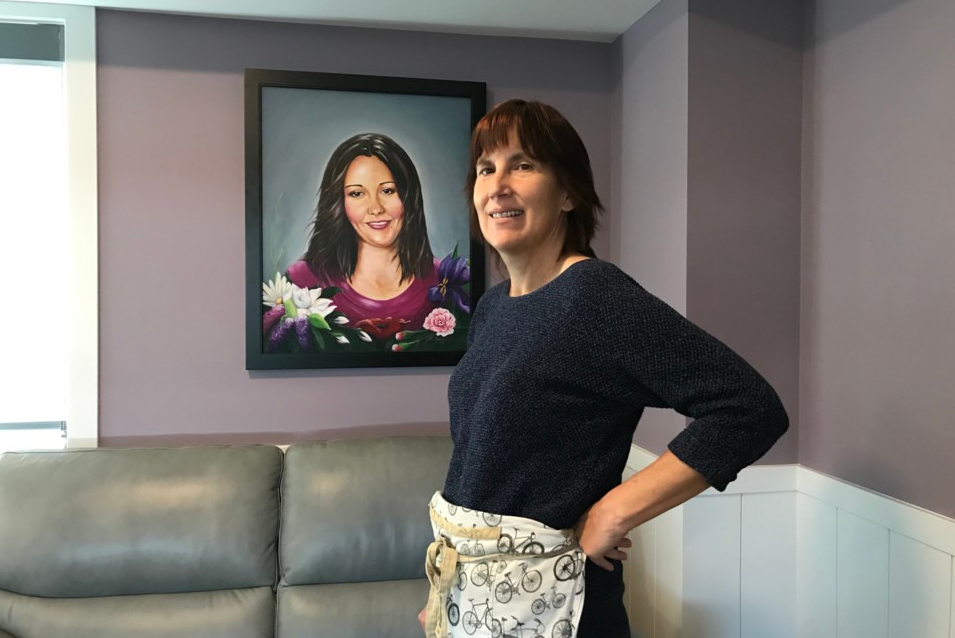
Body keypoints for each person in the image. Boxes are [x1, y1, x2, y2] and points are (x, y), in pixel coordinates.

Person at [419, 100, 789, 638]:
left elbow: (748, 408)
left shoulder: (593, 297)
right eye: (485, 168)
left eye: (522, 165)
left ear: (569, 193)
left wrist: (616, 511)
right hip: (474, 600)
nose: (497, 184)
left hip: (556, 602)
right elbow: (480, 464)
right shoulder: (495, 307)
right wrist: (444, 593)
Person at [286, 132, 440, 329]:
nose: (375, 208)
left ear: (409, 197)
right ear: (339, 203)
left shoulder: (446, 280)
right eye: (357, 193)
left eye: (388, 191)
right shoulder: (302, 282)